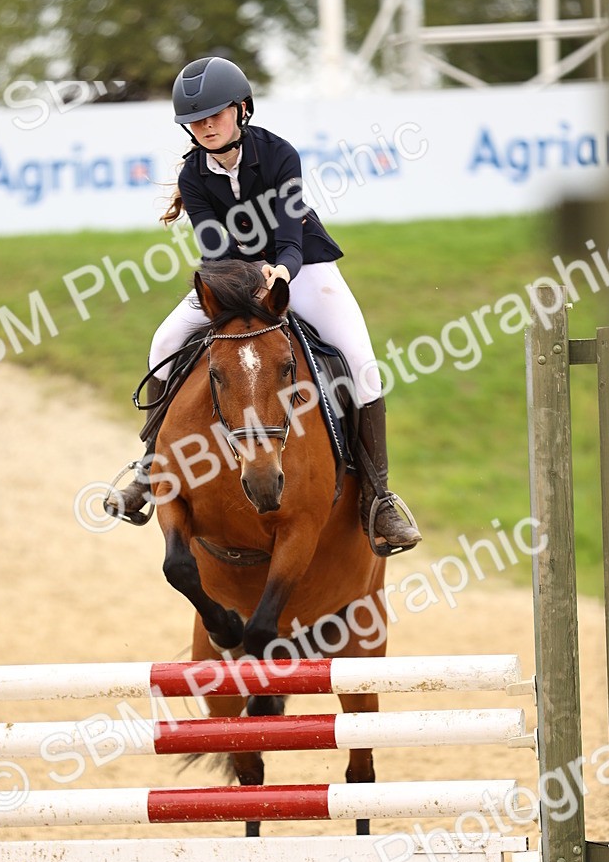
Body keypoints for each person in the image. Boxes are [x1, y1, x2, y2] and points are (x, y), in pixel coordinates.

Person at [105, 56, 421, 554]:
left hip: (303, 265)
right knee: (163, 342)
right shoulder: (194, 176)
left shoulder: (278, 155)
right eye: (195, 120)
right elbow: (214, 250)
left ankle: (378, 498)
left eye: (215, 114)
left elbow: (290, 238)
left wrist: (280, 273)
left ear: (242, 109)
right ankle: (149, 470)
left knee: (362, 363)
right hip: (233, 275)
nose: (206, 126)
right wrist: (243, 282)